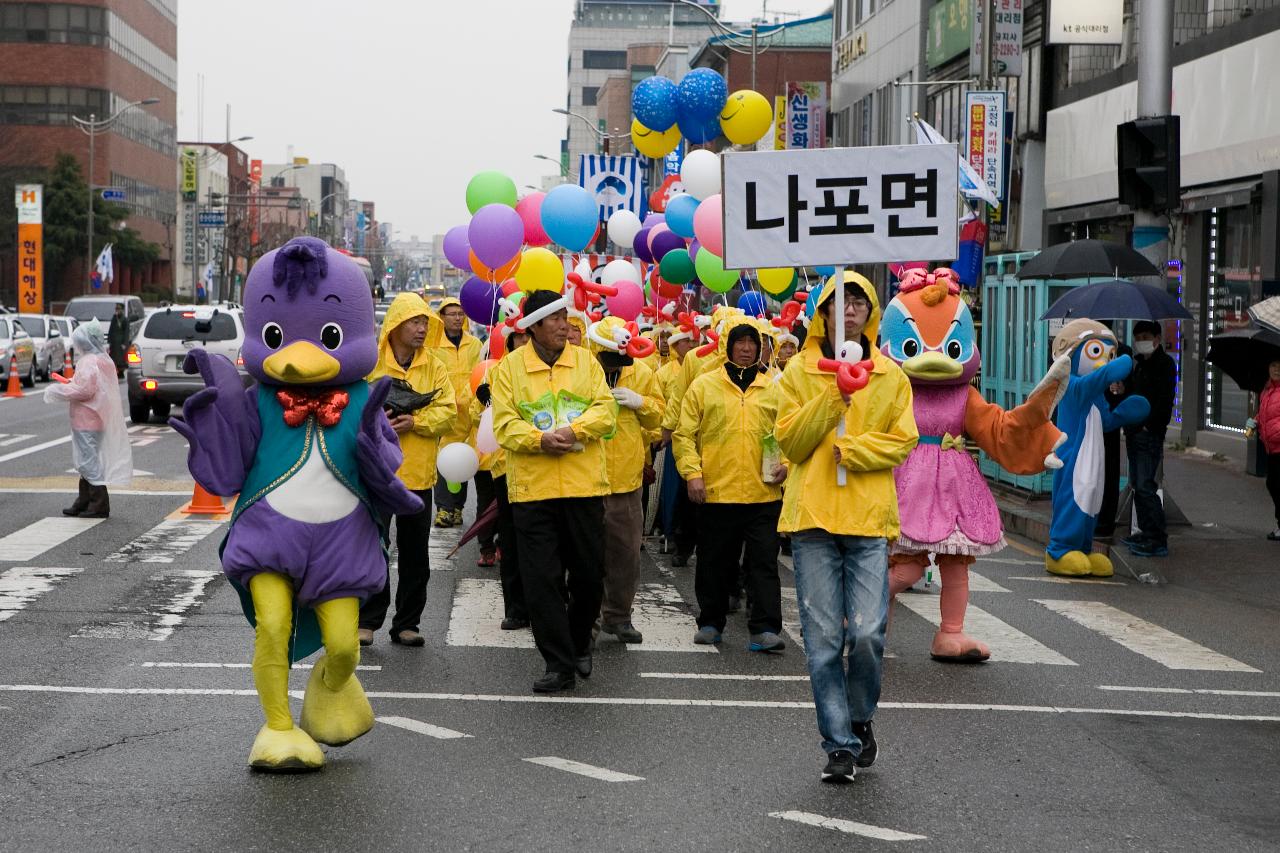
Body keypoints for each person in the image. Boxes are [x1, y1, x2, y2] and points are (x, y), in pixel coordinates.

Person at [773, 271, 918, 782]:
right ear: (824, 313)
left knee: (869, 633)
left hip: (867, 518)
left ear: (871, 313)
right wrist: (833, 395)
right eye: (840, 301)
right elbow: (789, 442)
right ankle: (838, 744)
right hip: (812, 517)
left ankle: (858, 719)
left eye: (859, 301)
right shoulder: (798, 371)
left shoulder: (891, 376)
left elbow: (903, 441)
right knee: (823, 641)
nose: (850, 309)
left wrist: (852, 451)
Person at [489, 289, 616, 693]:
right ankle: (558, 664)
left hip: (583, 486)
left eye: (566, 317)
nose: (565, 325)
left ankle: (580, 642)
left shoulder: (585, 361)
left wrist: (575, 430)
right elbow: (504, 425)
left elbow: (605, 410)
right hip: (532, 490)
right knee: (542, 581)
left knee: (589, 576)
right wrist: (539, 440)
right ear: (534, 326)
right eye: (556, 318)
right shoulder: (508, 369)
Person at [673, 316, 787, 653]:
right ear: (728, 347)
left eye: (753, 344)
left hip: (762, 492)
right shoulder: (704, 386)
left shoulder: (775, 387)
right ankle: (710, 621)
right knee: (713, 560)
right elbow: (684, 434)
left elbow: (791, 432)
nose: (747, 349)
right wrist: (693, 474)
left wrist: (788, 466)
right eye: (740, 343)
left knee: (764, 562)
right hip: (716, 492)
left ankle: (765, 628)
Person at [359, 294, 456, 647]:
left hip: (418, 476)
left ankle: (407, 623)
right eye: (415, 322)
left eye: (425, 323)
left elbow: (448, 411)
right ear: (396, 325)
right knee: (374, 548)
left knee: (416, 554)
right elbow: (351, 408)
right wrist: (376, 420)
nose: (422, 329)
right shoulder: (370, 364)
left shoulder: (435, 366)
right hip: (377, 476)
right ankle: (367, 620)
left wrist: (415, 421)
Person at [589, 317, 664, 644]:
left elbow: (661, 415)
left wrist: (641, 402)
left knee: (625, 554)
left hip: (626, 477)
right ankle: (585, 622)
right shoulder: (583, 370)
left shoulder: (643, 372)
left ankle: (618, 617)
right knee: (585, 556)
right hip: (585, 476)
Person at [45, 320, 133, 518]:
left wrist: (59, 389)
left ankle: (98, 503)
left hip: (86, 420)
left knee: (88, 462)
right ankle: (84, 500)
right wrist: (70, 382)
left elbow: (85, 389)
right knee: (87, 460)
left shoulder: (89, 362)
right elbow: (93, 386)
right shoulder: (103, 359)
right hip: (97, 418)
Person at [1120, 320, 1177, 558]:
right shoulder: (1139, 364)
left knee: (1146, 486)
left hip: (1149, 434)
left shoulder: (1164, 365)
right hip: (1135, 433)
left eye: (1145, 336)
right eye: (1137, 337)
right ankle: (1144, 531)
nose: (1140, 341)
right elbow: (1133, 394)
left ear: (1156, 338)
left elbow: (1164, 402)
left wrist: (1147, 426)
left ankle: (1157, 538)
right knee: (1137, 484)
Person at [432, 298, 481, 528]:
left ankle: (458, 508)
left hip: (469, 413)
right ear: (442, 317)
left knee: (464, 461)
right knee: (443, 461)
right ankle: (444, 508)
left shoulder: (475, 345)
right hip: (446, 411)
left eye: (461, 313)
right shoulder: (433, 346)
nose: (457, 318)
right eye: (451, 314)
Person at [1248, 359, 1280, 541]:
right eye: (1273, 365)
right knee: (1273, 484)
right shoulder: (1267, 390)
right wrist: (1255, 421)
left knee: (1277, 485)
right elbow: (1266, 413)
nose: (1277, 369)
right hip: (1271, 447)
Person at [107, 302, 129, 378]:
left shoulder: (125, 319)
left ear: (122, 310)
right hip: (114, 343)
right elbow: (111, 329)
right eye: (116, 309)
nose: (117, 310)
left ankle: (121, 372)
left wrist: (124, 343)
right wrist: (109, 341)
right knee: (113, 358)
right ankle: (114, 372)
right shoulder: (114, 318)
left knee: (121, 359)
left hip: (121, 343)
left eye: (118, 309)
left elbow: (126, 332)